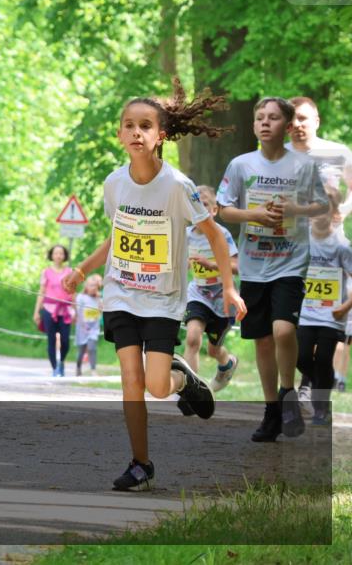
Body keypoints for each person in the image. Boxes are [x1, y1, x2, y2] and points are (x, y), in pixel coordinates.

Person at [63, 80, 246, 492]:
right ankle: (141, 464)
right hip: (121, 294)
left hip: (162, 301)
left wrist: (230, 289)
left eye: (145, 125)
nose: (136, 132)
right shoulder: (114, 184)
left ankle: (186, 380)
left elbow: (216, 237)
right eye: (128, 125)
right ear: (119, 134)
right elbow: (115, 238)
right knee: (131, 378)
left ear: (160, 135)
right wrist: (81, 270)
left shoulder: (177, 187)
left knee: (157, 386)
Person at [217, 96, 329, 441]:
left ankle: (287, 393)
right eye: (260, 117)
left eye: (274, 117)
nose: (265, 123)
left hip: (291, 260)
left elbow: (321, 205)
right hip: (253, 264)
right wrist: (254, 215)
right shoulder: (241, 165)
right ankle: (271, 411)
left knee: (283, 330)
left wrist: (293, 209)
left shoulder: (304, 166)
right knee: (263, 340)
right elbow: (223, 210)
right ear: (254, 125)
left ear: (287, 125)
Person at [284, 96, 352, 404]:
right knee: (295, 326)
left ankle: (317, 382)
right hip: (294, 244)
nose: (297, 124)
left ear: (316, 121)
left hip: (330, 245)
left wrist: (344, 211)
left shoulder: (337, 152)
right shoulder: (277, 155)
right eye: (293, 119)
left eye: (303, 118)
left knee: (324, 326)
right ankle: (308, 376)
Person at [181, 185, 240, 404]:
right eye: (194, 205)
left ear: (214, 211)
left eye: (204, 205)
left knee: (213, 349)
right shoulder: (185, 235)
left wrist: (211, 264)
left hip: (221, 298)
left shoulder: (221, 234)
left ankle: (227, 364)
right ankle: (192, 393)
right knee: (192, 338)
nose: (199, 209)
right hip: (198, 293)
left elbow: (237, 265)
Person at [296, 207, 352, 425]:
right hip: (306, 312)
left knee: (322, 359)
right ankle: (321, 383)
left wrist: (346, 307)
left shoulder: (341, 246)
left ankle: (321, 409)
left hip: (332, 315)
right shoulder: (301, 241)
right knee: (301, 358)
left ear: (334, 216)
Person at [34, 245, 74, 376]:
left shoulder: (69, 271)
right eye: (56, 253)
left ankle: (61, 361)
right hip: (49, 310)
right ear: (52, 255)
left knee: (65, 340)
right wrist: (36, 311)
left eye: (61, 253)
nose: (58, 256)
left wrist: (76, 311)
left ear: (65, 256)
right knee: (51, 340)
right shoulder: (46, 272)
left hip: (65, 311)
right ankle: (54, 368)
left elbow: (73, 292)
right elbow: (41, 291)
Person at [73, 274, 102, 376]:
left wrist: (100, 303)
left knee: (91, 348)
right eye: (90, 285)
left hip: (94, 328)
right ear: (86, 286)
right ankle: (78, 367)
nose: (93, 288)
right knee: (81, 351)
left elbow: (101, 311)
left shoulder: (99, 299)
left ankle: (93, 369)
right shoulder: (81, 297)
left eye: (95, 285)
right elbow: (77, 312)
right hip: (82, 328)